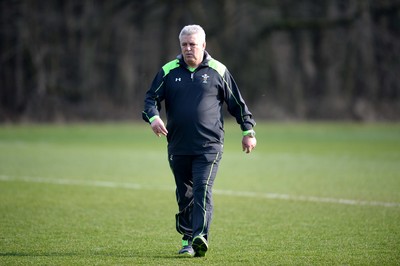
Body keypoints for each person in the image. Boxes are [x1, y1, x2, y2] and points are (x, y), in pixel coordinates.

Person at [142, 24, 256, 257]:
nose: (187, 49)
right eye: (184, 44)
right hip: (178, 145)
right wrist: (153, 118)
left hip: (209, 146)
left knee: (202, 188)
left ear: (203, 45)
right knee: (184, 195)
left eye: (192, 44)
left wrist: (248, 131)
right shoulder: (168, 71)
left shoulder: (218, 71)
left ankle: (199, 237)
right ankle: (187, 239)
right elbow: (150, 99)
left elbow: (237, 103)